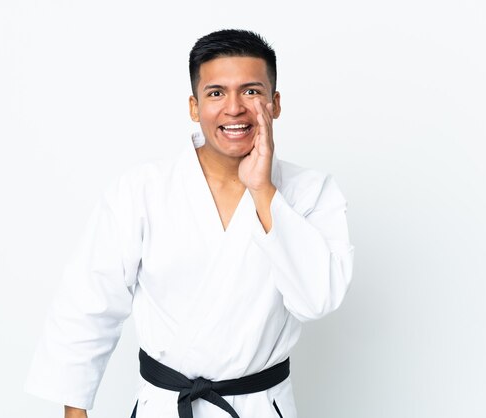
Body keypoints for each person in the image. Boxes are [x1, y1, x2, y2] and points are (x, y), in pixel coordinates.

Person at [25, 29, 355, 418]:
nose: (234, 108)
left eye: (251, 92)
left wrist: (263, 190)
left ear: (275, 103)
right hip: (164, 407)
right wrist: (75, 411)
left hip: (259, 407)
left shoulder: (312, 192)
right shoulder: (141, 190)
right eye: (216, 93)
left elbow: (317, 300)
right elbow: (88, 304)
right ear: (195, 106)